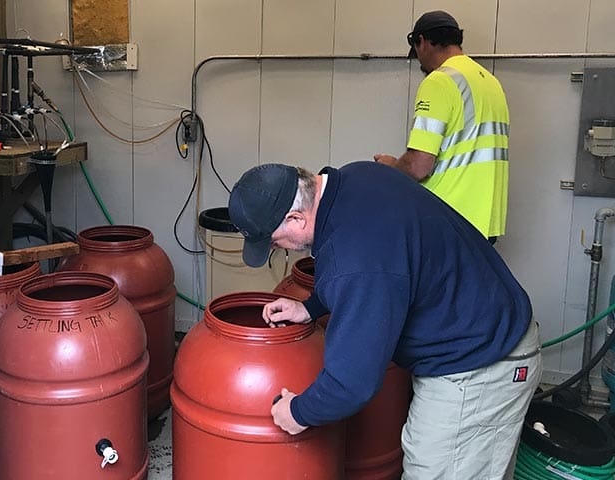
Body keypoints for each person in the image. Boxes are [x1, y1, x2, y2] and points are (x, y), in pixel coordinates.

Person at [228, 162, 542, 479]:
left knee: (434, 471)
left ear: (295, 218)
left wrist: (297, 413)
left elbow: (352, 383)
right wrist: (312, 306)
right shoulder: (358, 177)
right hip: (479, 333)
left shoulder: (356, 258)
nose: (279, 248)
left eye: (274, 241)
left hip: (480, 364)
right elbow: (386, 262)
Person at [374, 10, 510, 243]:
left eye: (416, 52)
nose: (420, 61)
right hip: (485, 221)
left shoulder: (440, 81)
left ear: (423, 42)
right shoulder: (490, 82)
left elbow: (419, 165)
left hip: (449, 219)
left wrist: (391, 168)